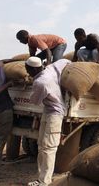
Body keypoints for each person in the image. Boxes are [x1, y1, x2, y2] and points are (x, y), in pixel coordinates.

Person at [24, 57, 71, 186]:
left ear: (33, 69)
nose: (27, 72)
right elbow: (66, 61)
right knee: (41, 145)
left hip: (54, 114)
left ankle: (45, 182)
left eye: (28, 70)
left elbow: (35, 101)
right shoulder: (51, 69)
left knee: (49, 148)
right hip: (48, 111)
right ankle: (41, 178)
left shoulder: (40, 82)